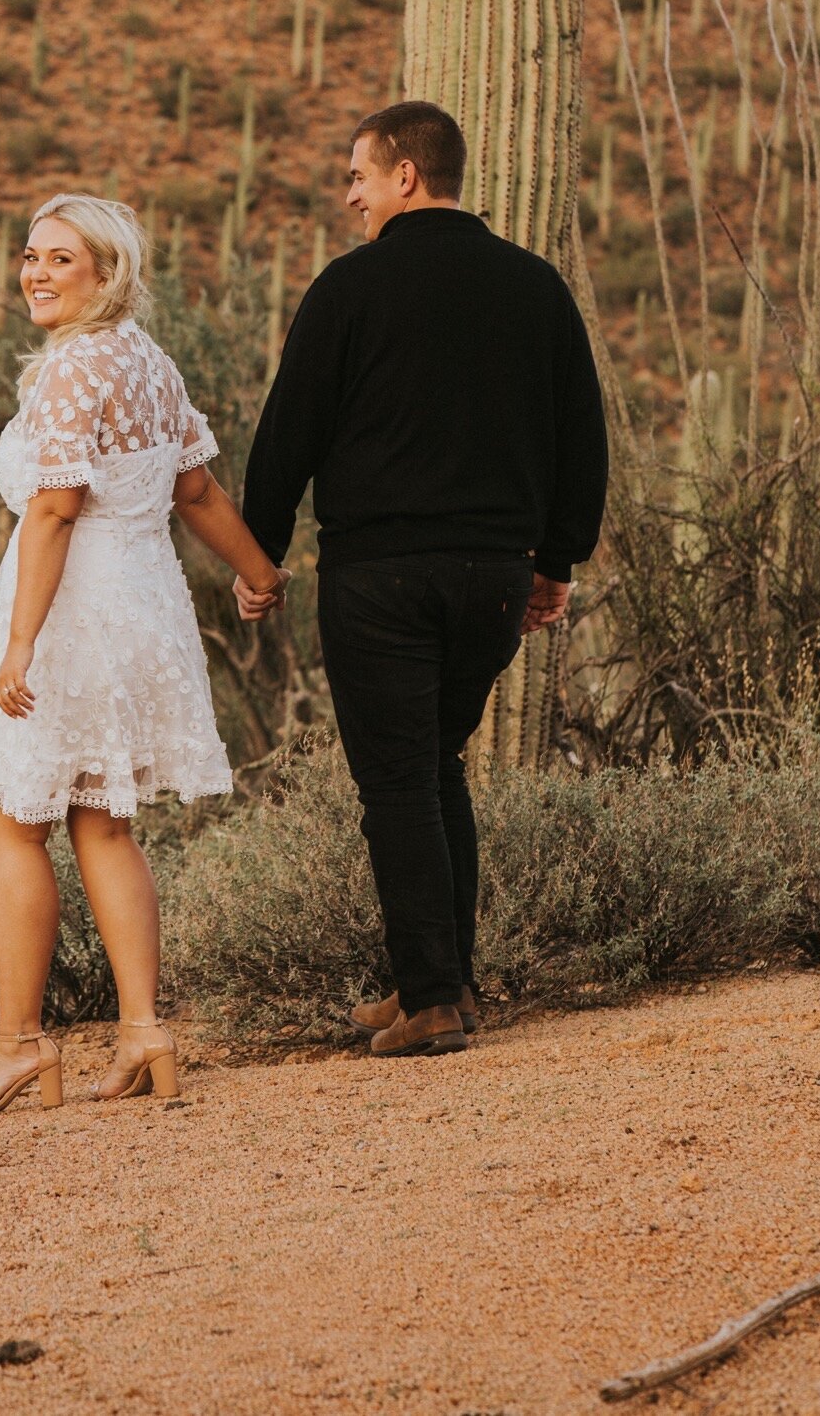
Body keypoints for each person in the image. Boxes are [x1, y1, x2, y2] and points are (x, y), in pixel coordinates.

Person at [238, 102, 608, 1058]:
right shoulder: (537, 289)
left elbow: (290, 436)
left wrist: (258, 557)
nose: (351, 196)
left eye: (359, 176)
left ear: (407, 175)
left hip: (380, 578)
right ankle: (441, 985)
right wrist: (557, 561)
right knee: (435, 770)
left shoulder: (348, 290)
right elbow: (581, 434)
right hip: (493, 578)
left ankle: (434, 999)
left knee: (399, 780)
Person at [0, 192, 285, 1114]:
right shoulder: (148, 362)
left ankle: (19, 1046)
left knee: (13, 822)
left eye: (60, 258)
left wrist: (19, 647)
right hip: (144, 609)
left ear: (107, 271)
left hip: (71, 613)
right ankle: (143, 1031)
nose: (37, 273)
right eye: (29, 256)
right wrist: (260, 573)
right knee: (104, 822)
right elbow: (197, 488)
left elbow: (52, 510)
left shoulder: (70, 371)